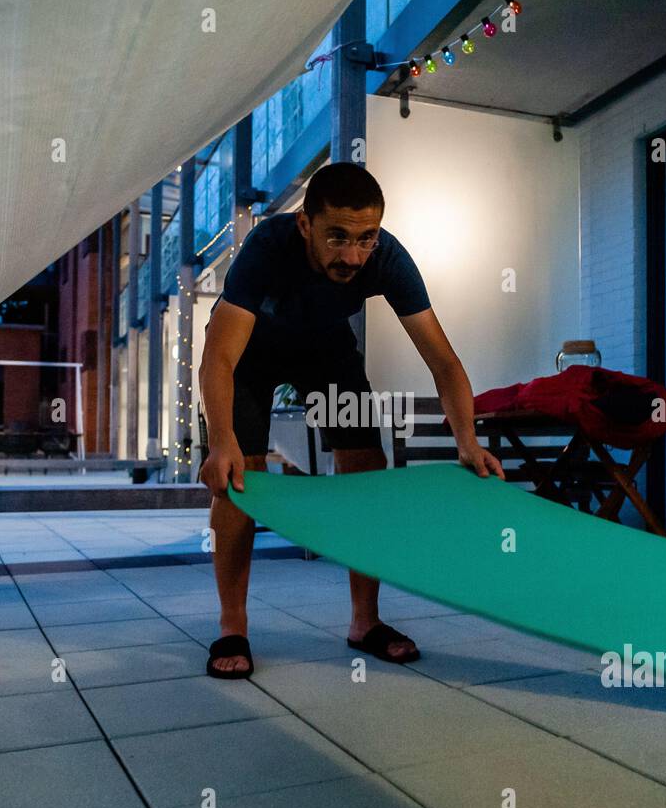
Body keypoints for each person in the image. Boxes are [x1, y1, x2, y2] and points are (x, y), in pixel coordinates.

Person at [198, 162, 503, 679]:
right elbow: (218, 358)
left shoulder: (388, 259)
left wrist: (467, 441)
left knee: (366, 466)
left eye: (365, 239)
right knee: (238, 477)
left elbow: (443, 361)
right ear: (305, 226)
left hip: (324, 347)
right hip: (250, 355)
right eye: (337, 237)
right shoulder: (267, 249)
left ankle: (366, 622)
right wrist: (221, 439)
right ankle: (234, 625)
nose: (352, 255)